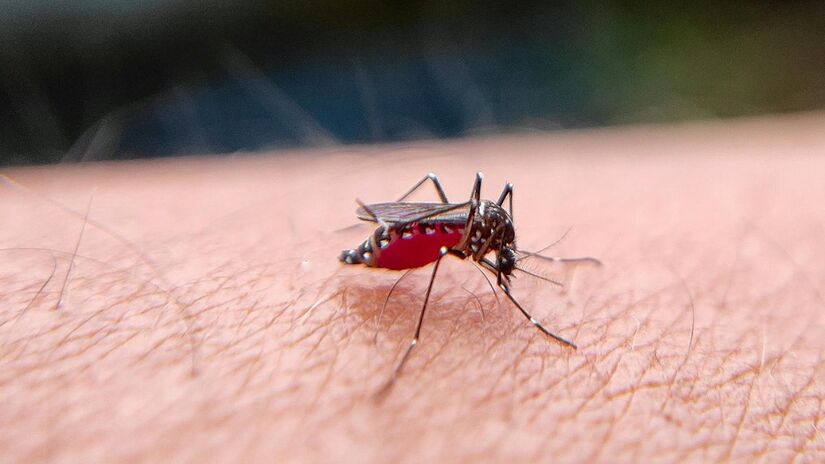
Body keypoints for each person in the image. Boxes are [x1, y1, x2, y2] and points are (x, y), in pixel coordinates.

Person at [1, 114, 824, 462]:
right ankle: (404, 309)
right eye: (506, 259)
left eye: (503, 255)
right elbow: (464, 235)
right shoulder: (468, 237)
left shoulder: (490, 236)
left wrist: (512, 256)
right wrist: (432, 241)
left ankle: (400, 242)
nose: (503, 259)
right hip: (414, 238)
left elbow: (489, 235)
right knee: (445, 233)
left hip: (429, 232)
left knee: (459, 219)